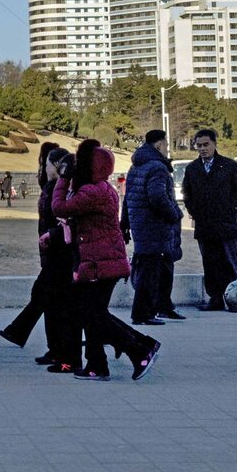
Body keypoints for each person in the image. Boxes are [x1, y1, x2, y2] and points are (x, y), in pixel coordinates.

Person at [52, 139, 161, 381]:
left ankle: (138, 350)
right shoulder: (100, 189)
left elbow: (59, 208)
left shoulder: (94, 191)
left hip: (103, 263)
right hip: (100, 261)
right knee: (92, 314)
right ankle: (99, 364)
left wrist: (63, 178)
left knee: (92, 315)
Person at [0, 144, 77, 372]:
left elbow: (63, 222)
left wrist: (51, 236)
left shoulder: (60, 189)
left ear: (55, 166)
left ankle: (59, 351)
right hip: (52, 253)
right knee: (48, 300)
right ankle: (53, 349)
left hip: (59, 254)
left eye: (46, 164)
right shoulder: (52, 186)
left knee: (51, 300)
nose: (44, 167)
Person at [121, 129, 184, 325]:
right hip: (155, 226)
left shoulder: (136, 167)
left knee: (162, 267)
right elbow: (158, 197)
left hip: (141, 225)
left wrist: (125, 223)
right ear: (158, 145)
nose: (167, 149)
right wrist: (175, 214)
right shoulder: (157, 167)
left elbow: (127, 198)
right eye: (166, 145)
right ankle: (142, 313)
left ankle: (163, 306)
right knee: (150, 271)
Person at [181, 129, 237, 312]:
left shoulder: (230, 166)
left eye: (206, 145)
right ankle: (215, 298)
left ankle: (233, 299)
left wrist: (230, 209)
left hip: (227, 224)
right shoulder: (192, 168)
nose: (202, 149)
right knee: (210, 263)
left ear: (214, 144)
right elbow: (187, 193)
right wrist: (195, 211)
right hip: (204, 224)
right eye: (199, 145)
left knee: (229, 262)